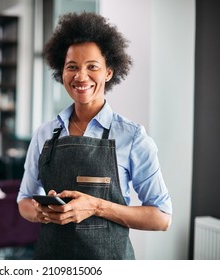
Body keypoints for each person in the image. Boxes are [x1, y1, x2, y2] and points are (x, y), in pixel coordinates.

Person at [17, 12, 172, 260]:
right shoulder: (44, 134)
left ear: (108, 72)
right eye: (72, 67)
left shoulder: (132, 137)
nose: (81, 76)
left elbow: (162, 218)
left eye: (92, 67)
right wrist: (41, 212)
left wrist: (97, 206)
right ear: (62, 72)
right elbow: (24, 200)